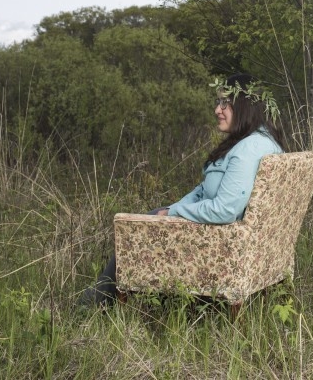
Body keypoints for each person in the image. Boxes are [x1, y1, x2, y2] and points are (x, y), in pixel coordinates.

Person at [78, 73, 285, 307]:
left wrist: (174, 213)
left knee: (136, 226)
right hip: (231, 239)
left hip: (220, 241)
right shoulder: (260, 141)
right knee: (155, 213)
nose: (218, 110)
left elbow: (225, 210)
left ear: (245, 105)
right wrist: (172, 209)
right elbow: (204, 189)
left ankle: (95, 303)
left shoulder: (248, 150)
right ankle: (112, 297)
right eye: (217, 102)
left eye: (225, 103)